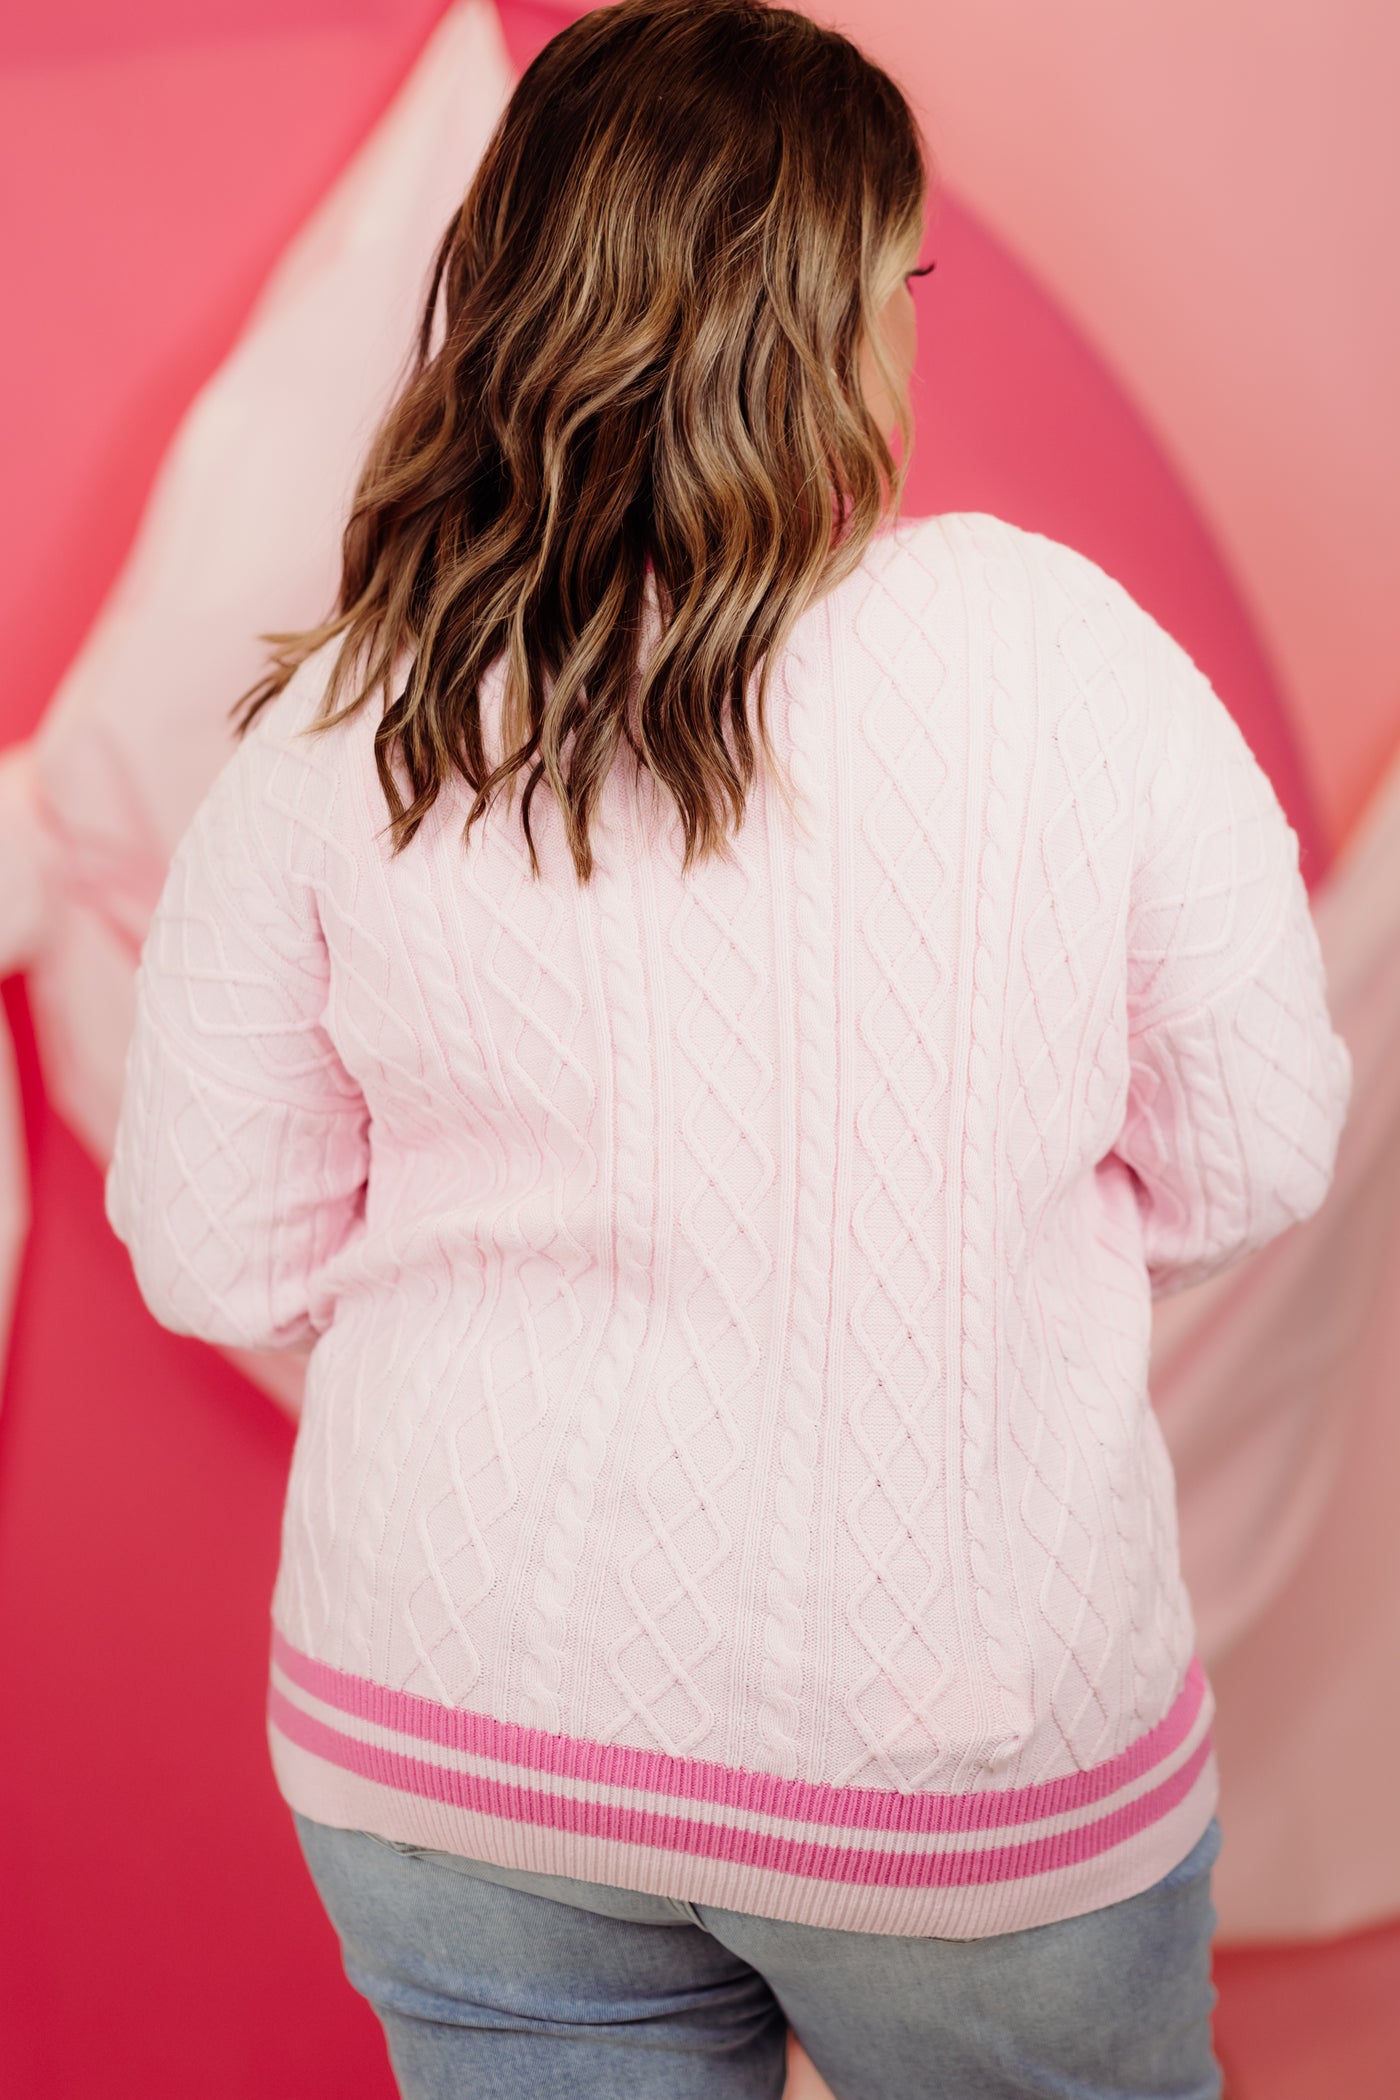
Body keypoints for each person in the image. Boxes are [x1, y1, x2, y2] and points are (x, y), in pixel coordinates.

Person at [104, 1, 1352, 2093]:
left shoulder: (342, 727)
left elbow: (214, 1254)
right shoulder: (1058, 656)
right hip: (954, 1765)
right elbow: (1251, 1153)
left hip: (446, 1735)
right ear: (832, 310)